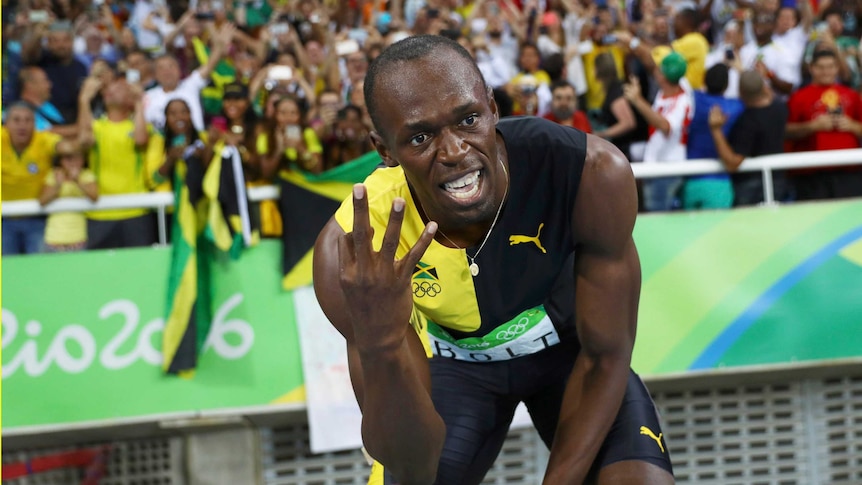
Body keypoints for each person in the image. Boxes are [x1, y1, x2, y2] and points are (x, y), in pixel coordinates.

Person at [313, 35, 674, 485]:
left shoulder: (590, 173)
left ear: (492, 107)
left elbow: (607, 355)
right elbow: (409, 469)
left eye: (467, 120)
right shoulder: (351, 249)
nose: (454, 152)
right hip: (458, 370)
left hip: (570, 359)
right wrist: (381, 346)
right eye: (420, 137)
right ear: (384, 150)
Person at [708, 70, 793, 206]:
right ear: (764, 87)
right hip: (778, 179)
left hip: (751, 187)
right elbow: (767, 94)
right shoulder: (780, 108)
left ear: (740, 92)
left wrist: (716, 130)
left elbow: (733, 162)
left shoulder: (747, 122)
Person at [785, 49, 862, 200]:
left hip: (849, 172)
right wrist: (812, 126)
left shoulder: (852, 95)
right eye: (821, 67)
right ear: (812, 68)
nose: (826, 71)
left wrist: (853, 126)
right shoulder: (798, 97)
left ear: (837, 68)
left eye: (831, 66)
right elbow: (785, 131)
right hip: (812, 175)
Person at [1, 103, 61, 255]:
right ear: (6, 124)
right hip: (4, 221)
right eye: (17, 120)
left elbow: (68, 147)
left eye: (28, 120)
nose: (23, 125)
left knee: (39, 269)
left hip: (36, 218)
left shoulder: (43, 139)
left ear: (35, 124)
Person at [39, 139, 99, 252]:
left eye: (77, 157)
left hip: (78, 238)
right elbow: (42, 201)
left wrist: (77, 181)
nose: (73, 162)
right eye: (68, 158)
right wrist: (57, 185)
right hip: (53, 238)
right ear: (60, 160)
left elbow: (94, 196)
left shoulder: (86, 175)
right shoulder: (53, 174)